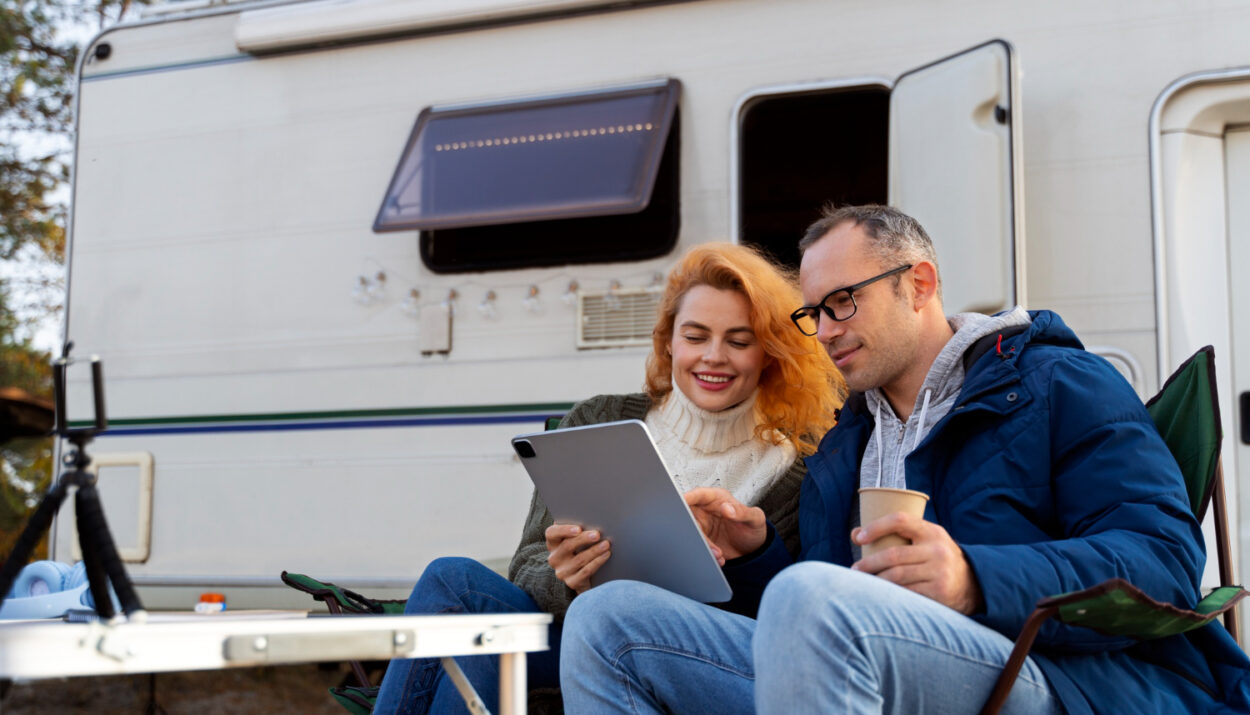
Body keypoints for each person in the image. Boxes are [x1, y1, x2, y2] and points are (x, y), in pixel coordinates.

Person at [560, 204, 1250, 714]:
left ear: (918, 284)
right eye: (813, 315)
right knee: (609, 618)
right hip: (871, 666)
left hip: (1051, 673)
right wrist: (757, 552)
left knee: (811, 597)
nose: (825, 331)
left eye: (842, 303)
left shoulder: (1058, 384)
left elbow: (1163, 559)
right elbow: (818, 606)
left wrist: (976, 577)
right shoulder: (846, 440)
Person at [371, 242, 843, 714]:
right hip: (562, 636)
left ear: (769, 353)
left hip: (672, 655)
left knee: (482, 648)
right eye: (696, 336)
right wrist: (570, 579)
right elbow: (528, 564)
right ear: (669, 341)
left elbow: (767, 629)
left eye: (739, 341)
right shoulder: (599, 418)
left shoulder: (794, 467)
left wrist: (749, 555)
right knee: (452, 580)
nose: (714, 356)